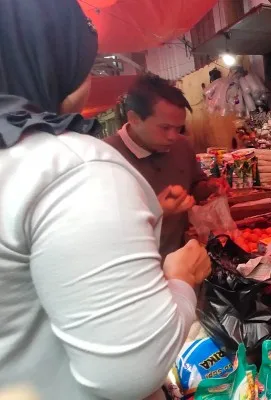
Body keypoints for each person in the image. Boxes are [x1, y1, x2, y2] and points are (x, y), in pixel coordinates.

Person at [0, 1, 211, 399]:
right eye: (85, 59)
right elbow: (134, 369)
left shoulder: (15, 157)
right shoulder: (74, 168)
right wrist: (180, 281)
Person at [105, 74, 219, 259]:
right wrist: (156, 211)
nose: (173, 136)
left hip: (179, 260)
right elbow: (102, 230)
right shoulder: (106, 158)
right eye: (165, 128)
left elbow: (193, 189)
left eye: (178, 128)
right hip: (132, 267)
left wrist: (209, 187)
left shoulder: (182, 146)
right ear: (134, 118)